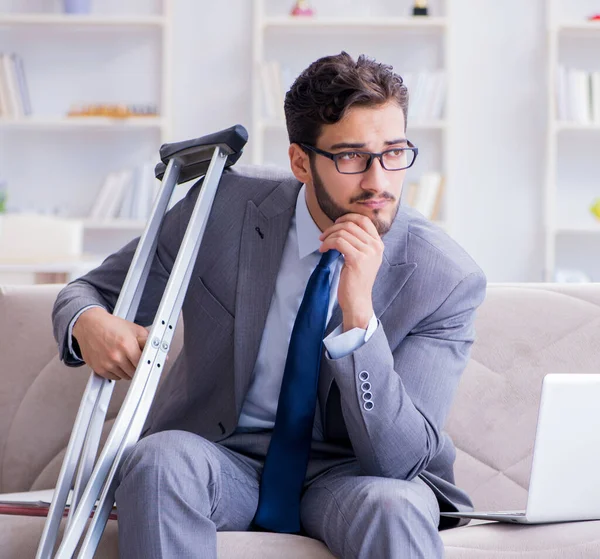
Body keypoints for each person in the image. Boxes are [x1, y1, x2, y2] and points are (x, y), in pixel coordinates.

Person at [52, 51, 486, 559]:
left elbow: (401, 459)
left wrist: (358, 319)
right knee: (158, 461)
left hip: (352, 474)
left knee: (396, 506)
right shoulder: (221, 209)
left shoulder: (446, 279)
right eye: (351, 156)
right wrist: (90, 323)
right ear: (301, 161)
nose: (378, 181)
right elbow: (89, 292)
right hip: (223, 454)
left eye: (394, 152)